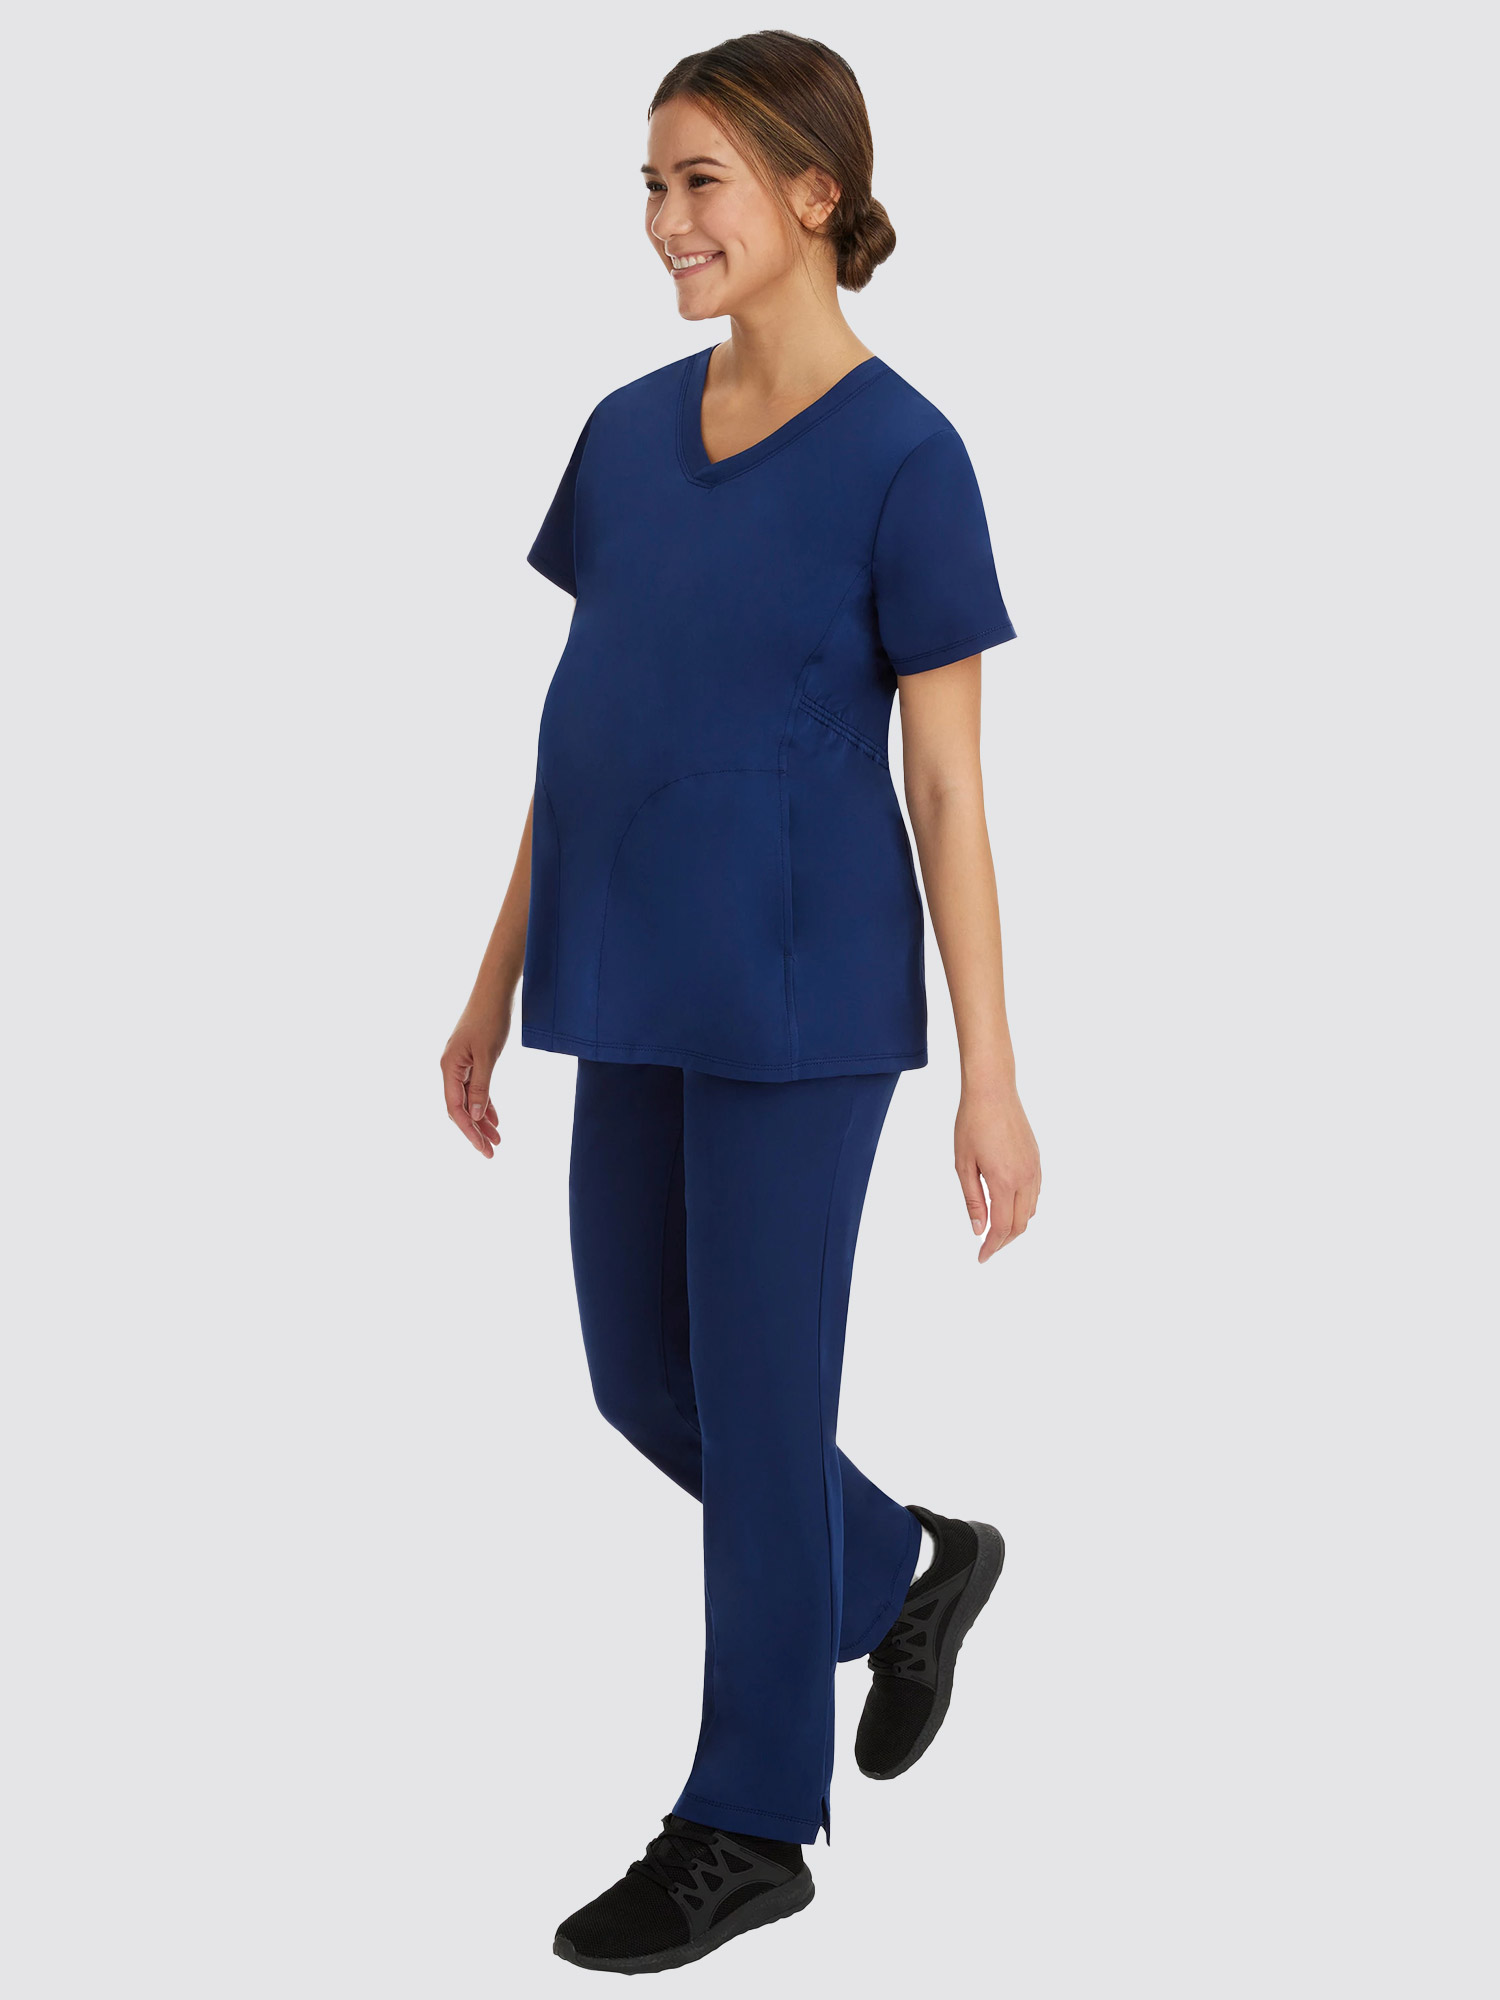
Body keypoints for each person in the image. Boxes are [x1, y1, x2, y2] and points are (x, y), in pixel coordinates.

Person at [440, 30, 1041, 1975]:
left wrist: (994, 1079)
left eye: (699, 180)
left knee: (765, 1408)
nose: (663, 220)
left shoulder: (907, 457)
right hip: (626, 962)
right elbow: (587, 727)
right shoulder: (623, 435)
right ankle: (908, 1568)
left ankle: (750, 1818)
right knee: (644, 1378)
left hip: (802, 990)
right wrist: (489, 977)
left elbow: (947, 786)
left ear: (812, 193)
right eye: (649, 184)